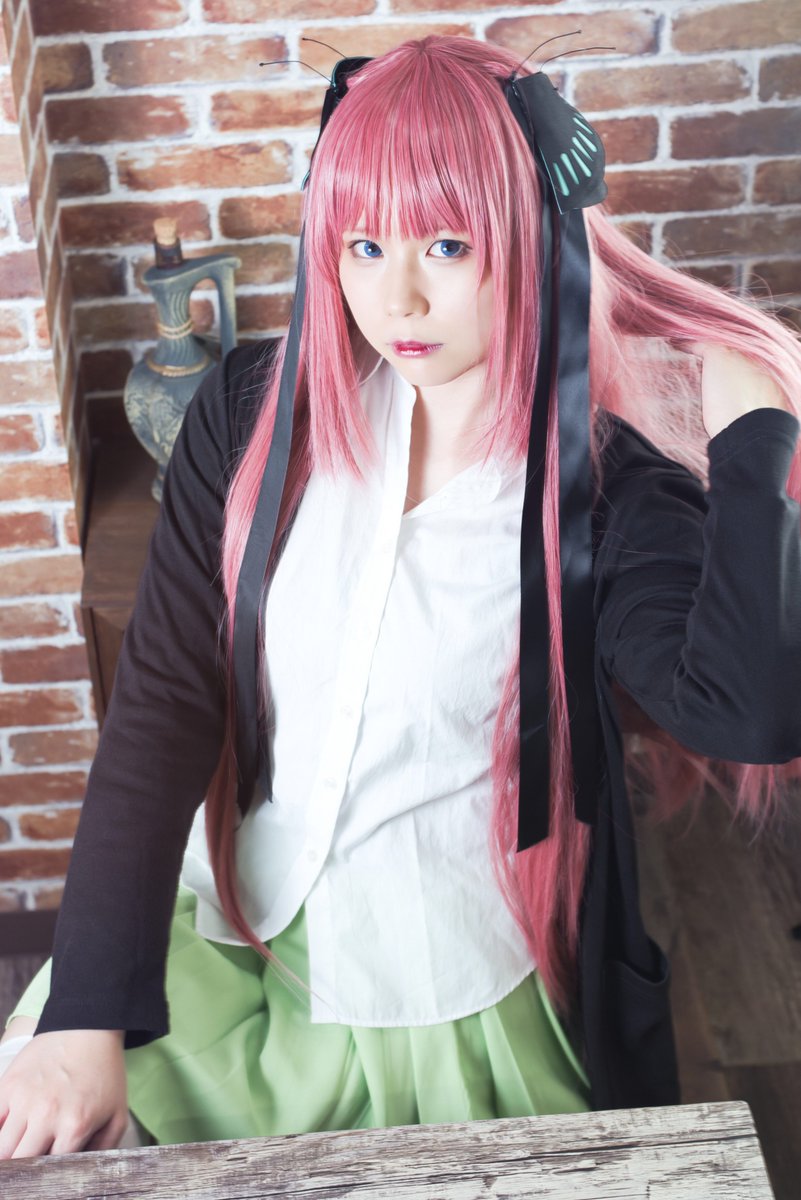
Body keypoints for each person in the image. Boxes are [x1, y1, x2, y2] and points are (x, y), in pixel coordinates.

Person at [1, 33, 800, 1160]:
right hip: (236, 935)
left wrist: (756, 434)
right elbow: (165, 706)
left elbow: (746, 713)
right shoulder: (248, 416)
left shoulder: (608, 492)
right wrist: (84, 1014)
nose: (399, 296)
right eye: (364, 244)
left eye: (448, 244)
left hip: (442, 988)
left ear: (531, 236)